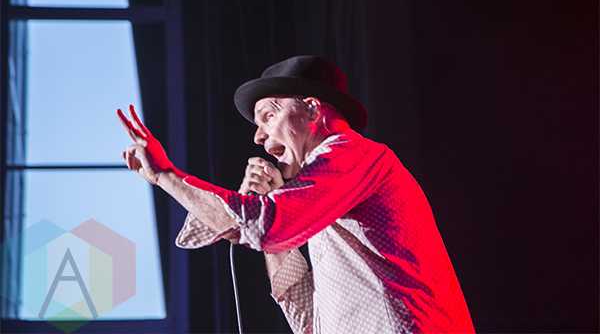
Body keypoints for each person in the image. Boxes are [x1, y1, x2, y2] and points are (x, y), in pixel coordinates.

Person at [117, 55, 475, 334]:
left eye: (268, 116)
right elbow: (306, 315)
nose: (258, 136)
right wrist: (273, 217)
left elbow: (268, 226)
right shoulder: (328, 195)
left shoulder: (353, 153)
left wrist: (166, 175)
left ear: (312, 109)